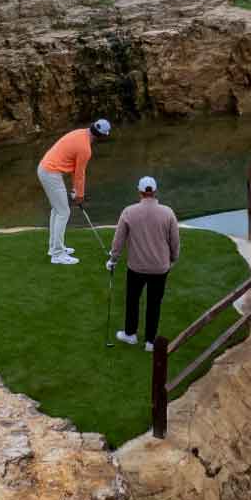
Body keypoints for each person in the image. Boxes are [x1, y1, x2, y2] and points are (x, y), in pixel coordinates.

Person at [107, 175, 180, 351]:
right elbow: (175, 241)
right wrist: (173, 259)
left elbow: (118, 241)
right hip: (160, 268)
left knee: (132, 300)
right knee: (154, 303)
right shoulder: (168, 212)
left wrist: (113, 259)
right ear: (154, 191)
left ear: (139, 191)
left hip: (136, 268)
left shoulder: (129, 212)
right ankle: (150, 342)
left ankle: (130, 334)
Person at [36, 118, 110, 265]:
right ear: (101, 136)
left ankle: (54, 247)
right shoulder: (85, 149)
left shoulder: (80, 133)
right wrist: (80, 195)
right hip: (51, 173)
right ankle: (57, 255)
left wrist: (74, 191)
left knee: (57, 210)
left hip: (46, 169)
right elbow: (79, 174)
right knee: (64, 212)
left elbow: (73, 168)